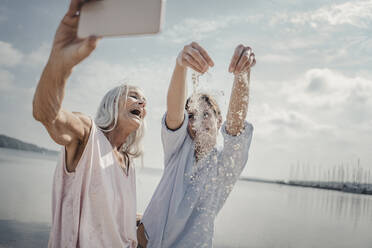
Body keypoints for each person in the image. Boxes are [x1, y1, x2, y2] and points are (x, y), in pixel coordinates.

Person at [32, 0, 146, 247]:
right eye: (134, 95)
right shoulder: (87, 134)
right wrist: (59, 65)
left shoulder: (128, 164)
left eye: (144, 100)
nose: (142, 102)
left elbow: (115, 220)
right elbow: (46, 114)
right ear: (112, 103)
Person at [137, 42, 256, 247]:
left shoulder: (226, 164)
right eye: (191, 116)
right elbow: (174, 113)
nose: (197, 122)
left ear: (219, 120)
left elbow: (236, 127)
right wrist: (180, 65)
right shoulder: (178, 148)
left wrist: (242, 74)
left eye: (206, 115)